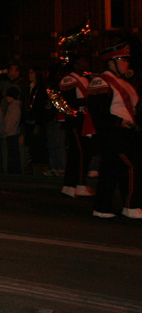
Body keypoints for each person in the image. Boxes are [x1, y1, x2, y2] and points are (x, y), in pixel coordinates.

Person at [87, 42, 140, 219]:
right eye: (122, 59)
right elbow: (98, 111)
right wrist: (119, 122)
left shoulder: (124, 83)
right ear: (111, 62)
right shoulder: (100, 80)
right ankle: (131, 205)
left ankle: (103, 208)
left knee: (111, 172)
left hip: (126, 132)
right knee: (133, 165)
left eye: (127, 60)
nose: (127, 63)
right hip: (114, 133)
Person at [58, 54, 96, 198]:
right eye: (83, 60)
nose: (86, 62)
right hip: (75, 120)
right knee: (80, 151)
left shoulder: (86, 79)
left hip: (84, 120)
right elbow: (70, 102)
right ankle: (77, 183)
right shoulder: (69, 79)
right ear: (75, 64)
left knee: (81, 152)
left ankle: (72, 184)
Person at [4, 87, 23, 174]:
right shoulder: (15, 106)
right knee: (13, 153)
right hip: (13, 132)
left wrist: (6, 130)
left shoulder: (14, 106)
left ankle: (14, 171)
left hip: (12, 133)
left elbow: (11, 121)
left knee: (13, 153)